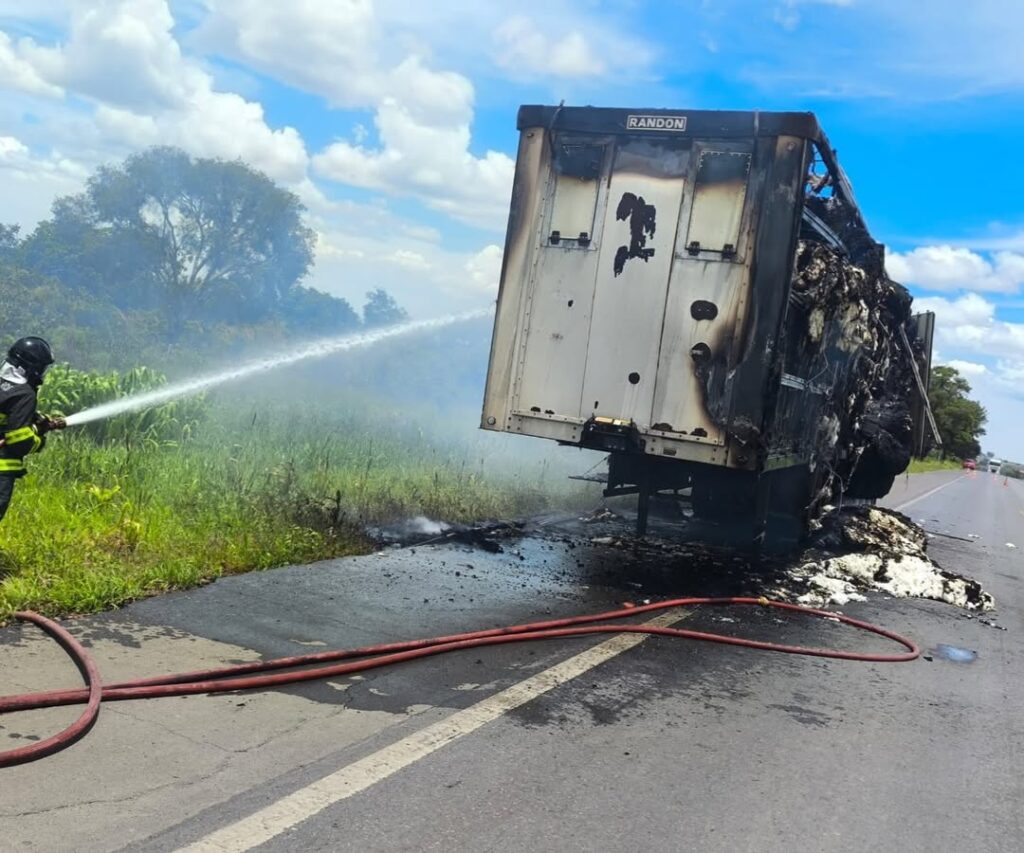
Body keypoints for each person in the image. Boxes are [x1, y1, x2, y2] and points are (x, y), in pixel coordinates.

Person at [0, 336, 61, 522]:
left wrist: (32, 420)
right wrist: (39, 437)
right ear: (31, 367)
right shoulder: (24, 394)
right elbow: (20, 440)